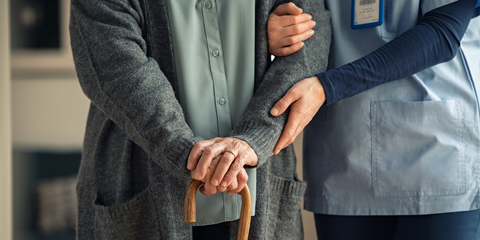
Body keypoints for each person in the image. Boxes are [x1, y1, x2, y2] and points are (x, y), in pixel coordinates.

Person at [69, 0, 330, 239]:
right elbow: (117, 67)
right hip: (144, 193)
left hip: (260, 194)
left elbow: (309, 44)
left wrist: (253, 140)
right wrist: (190, 153)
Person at [266, 0, 480, 239]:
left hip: (434, 159)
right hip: (343, 156)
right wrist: (270, 34)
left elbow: (443, 32)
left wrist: (328, 87)